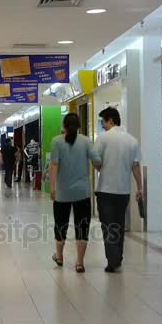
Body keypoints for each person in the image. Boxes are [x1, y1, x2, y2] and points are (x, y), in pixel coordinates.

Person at [49, 113, 101, 273]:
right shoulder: (85, 141)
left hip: (62, 193)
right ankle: (79, 262)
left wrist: (52, 188)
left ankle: (59, 256)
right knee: (82, 226)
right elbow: (97, 162)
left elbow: (54, 165)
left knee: (60, 225)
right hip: (82, 192)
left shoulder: (57, 141)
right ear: (78, 125)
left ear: (64, 125)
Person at [95, 107, 142, 273]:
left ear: (111, 120)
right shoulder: (132, 140)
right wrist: (140, 187)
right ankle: (118, 257)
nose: (102, 124)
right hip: (123, 191)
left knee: (108, 226)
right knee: (119, 224)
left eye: (103, 121)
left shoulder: (103, 138)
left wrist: (98, 166)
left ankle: (113, 260)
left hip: (105, 190)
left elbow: (97, 162)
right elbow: (135, 166)